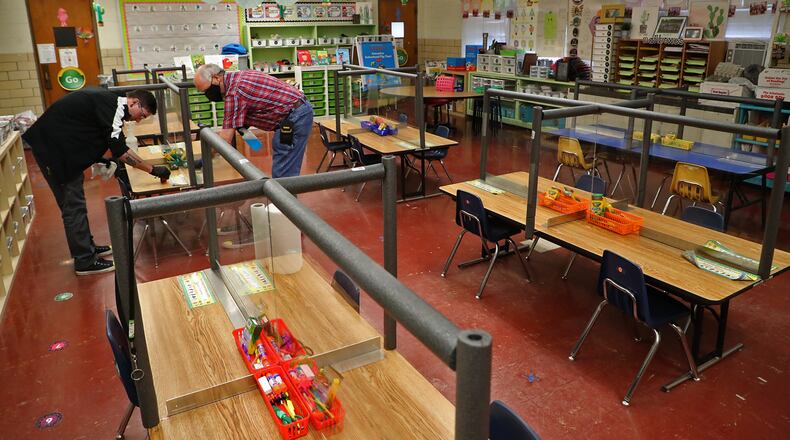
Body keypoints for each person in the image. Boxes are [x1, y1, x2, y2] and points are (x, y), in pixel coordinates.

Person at [23, 88, 171, 275]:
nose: (138, 120)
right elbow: (121, 151)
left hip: (59, 147)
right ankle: (84, 260)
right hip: (55, 153)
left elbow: (94, 132)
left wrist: (101, 159)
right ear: (133, 103)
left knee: (77, 204)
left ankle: (88, 247)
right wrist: (154, 170)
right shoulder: (116, 107)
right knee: (73, 207)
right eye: (141, 115)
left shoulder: (110, 103)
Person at [193, 64, 314, 178]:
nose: (207, 95)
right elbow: (245, 116)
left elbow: (224, 141)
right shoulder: (238, 77)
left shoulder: (234, 93)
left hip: (295, 116)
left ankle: (284, 198)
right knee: (281, 154)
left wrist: (203, 161)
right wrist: (254, 144)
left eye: (206, 90)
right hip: (294, 110)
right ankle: (283, 195)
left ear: (216, 78)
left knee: (284, 165)